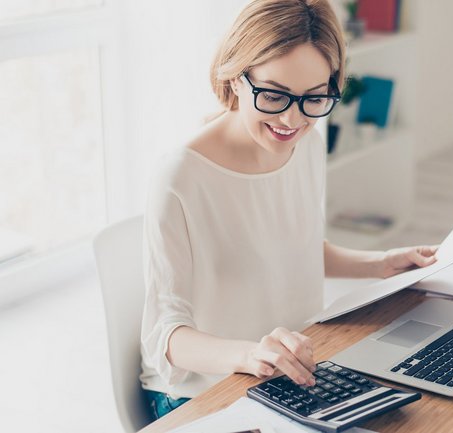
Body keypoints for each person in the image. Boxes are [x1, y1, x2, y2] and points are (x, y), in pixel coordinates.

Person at [139, 0, 437, 420]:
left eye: (315, 97)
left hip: (292, 379)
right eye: (274, 95)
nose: (292, 119)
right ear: (236, 77)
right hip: (204, 394)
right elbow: (164, 336)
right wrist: (251, 354)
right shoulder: (181, 175)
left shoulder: (305, 145)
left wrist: (381, 264)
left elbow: (294, 248)